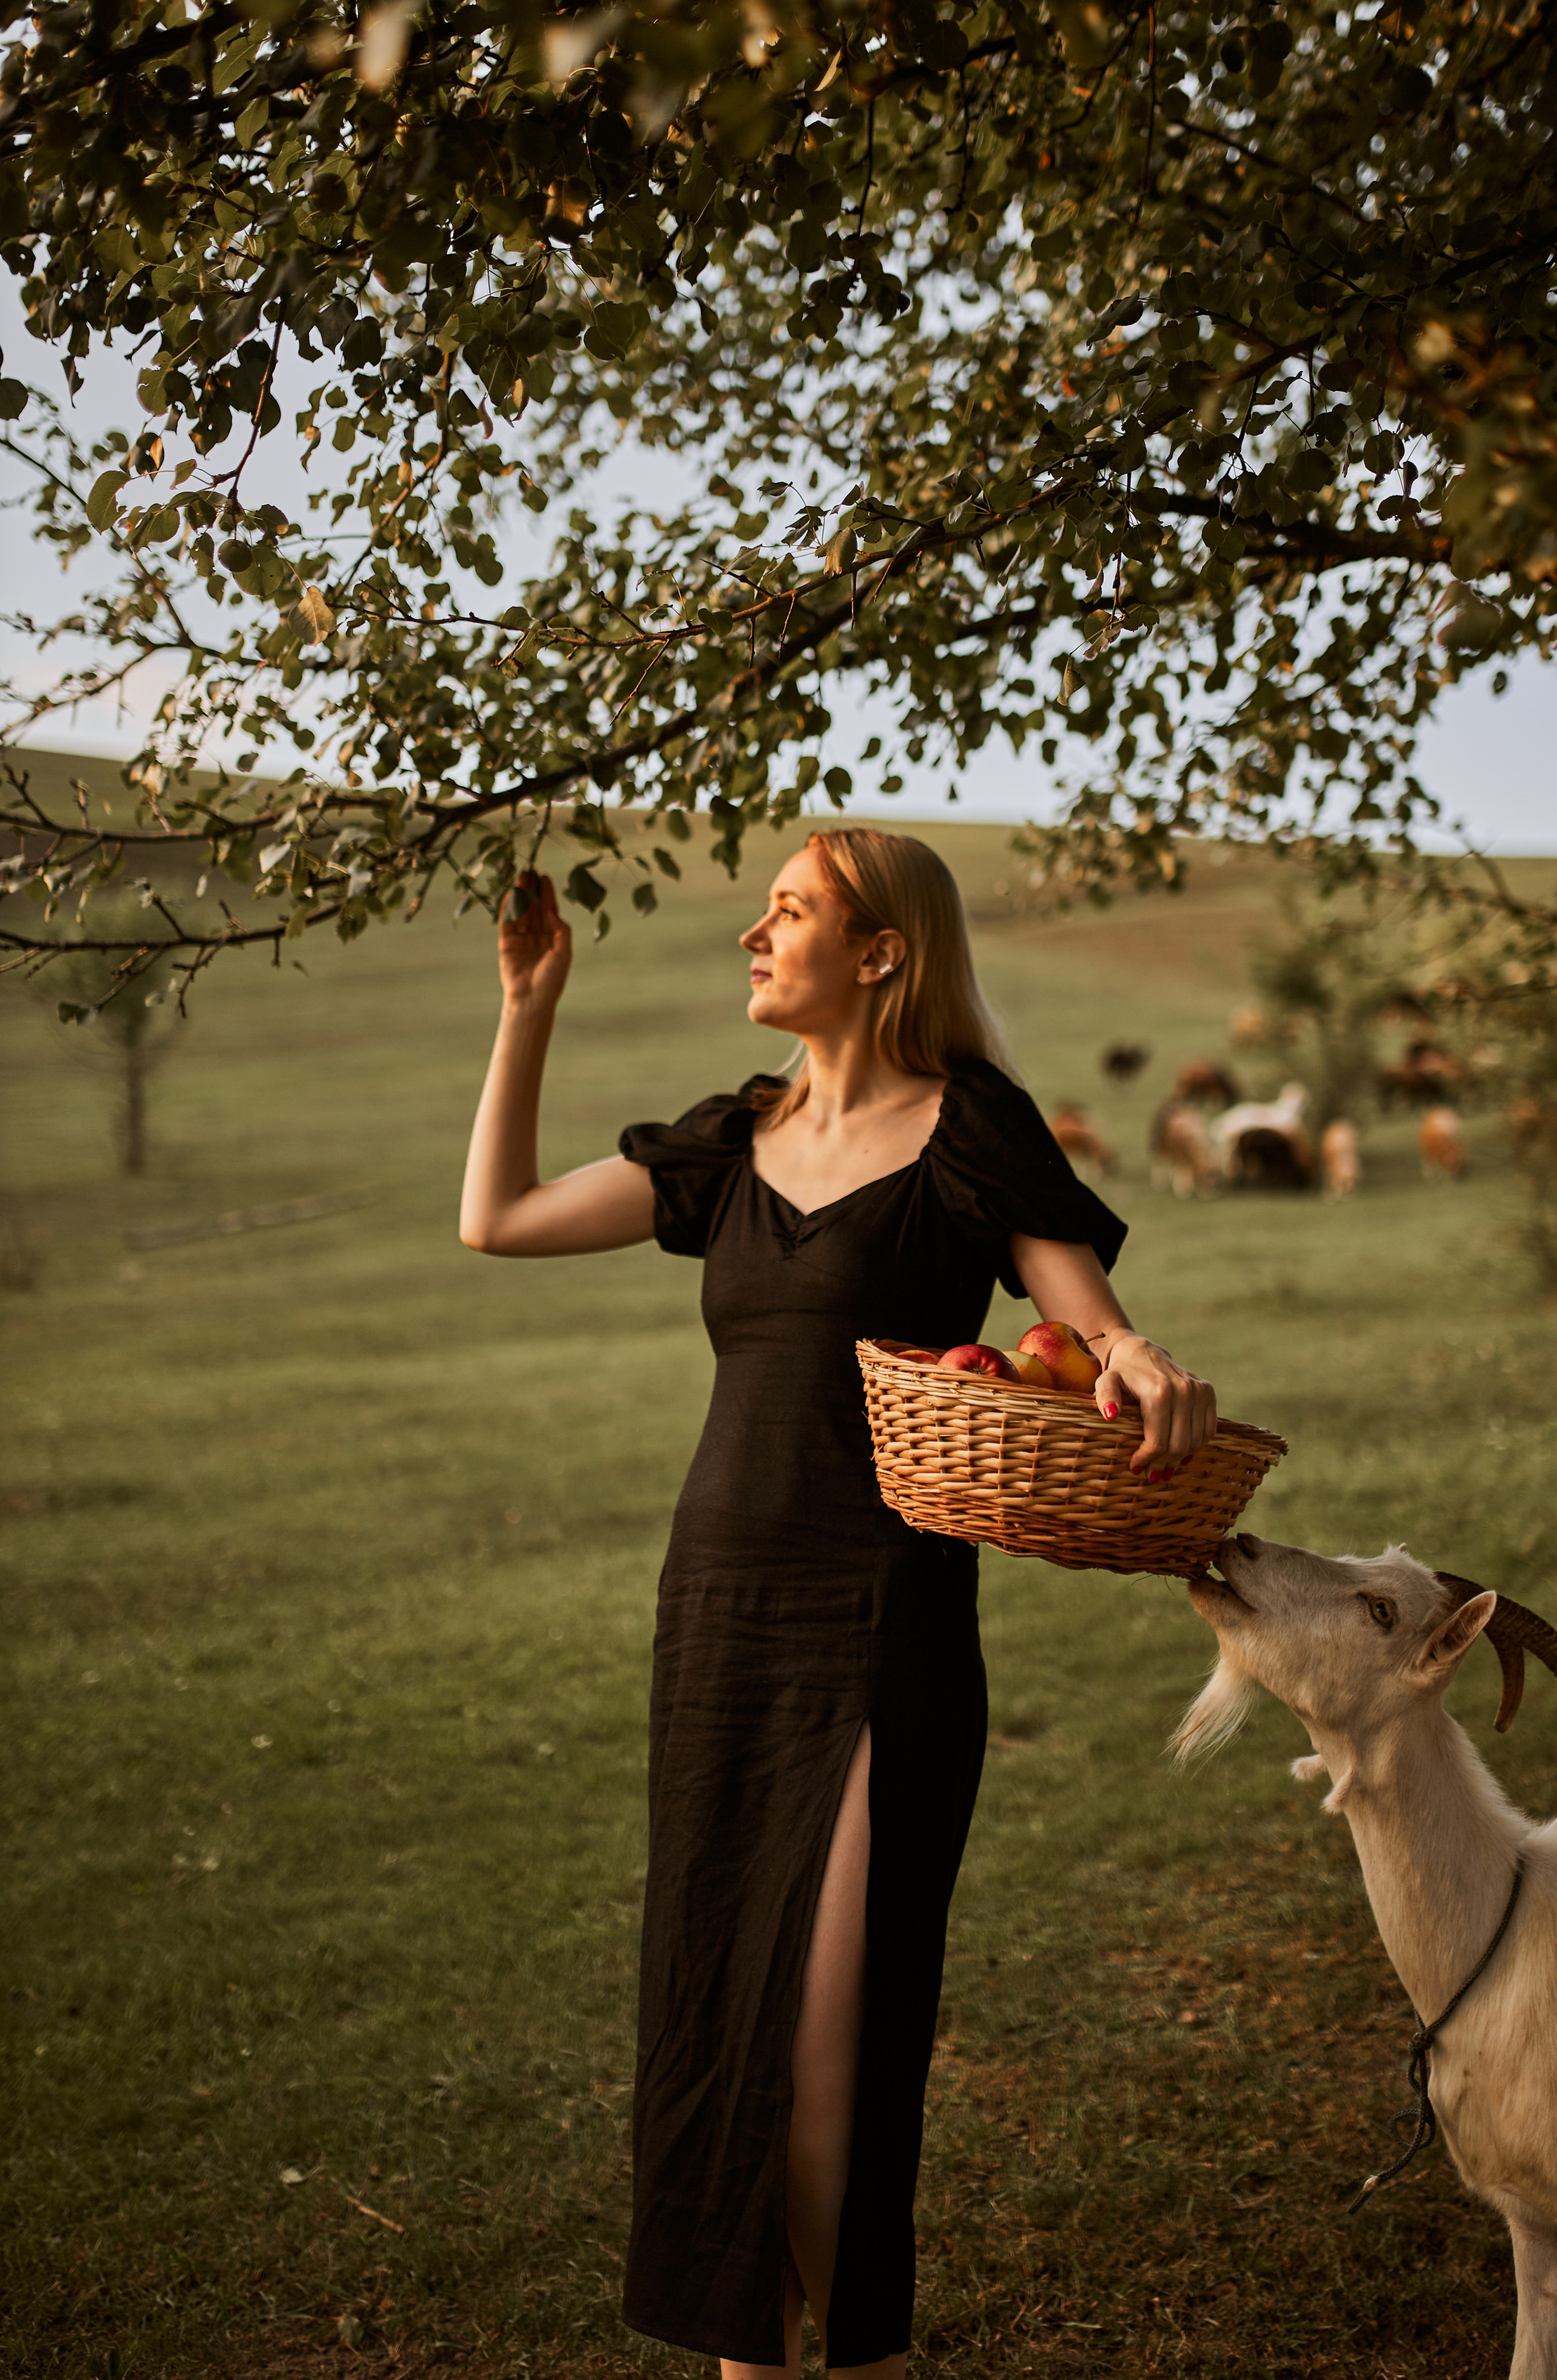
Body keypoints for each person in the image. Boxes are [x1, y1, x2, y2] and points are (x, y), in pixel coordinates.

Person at [459, 827, 1217, 2379]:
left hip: (881, 1620)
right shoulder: (725, 1147)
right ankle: (752, 2359)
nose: (755, 933)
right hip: (718, 1614)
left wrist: (1136, 1364)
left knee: (825, 2051)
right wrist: (527, 1003)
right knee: (722, 2018)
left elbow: (1094, 1328)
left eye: (788, 911)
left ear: (879, 954)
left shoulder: (968, 1132)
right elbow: (499, 1218)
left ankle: (851, 2360)